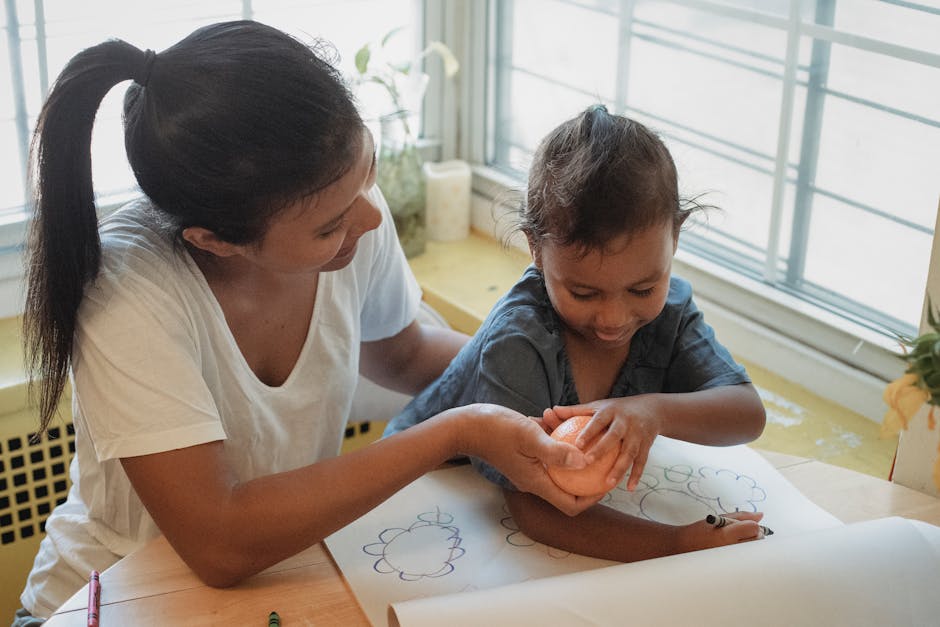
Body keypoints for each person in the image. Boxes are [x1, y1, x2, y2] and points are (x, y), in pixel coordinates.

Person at [15, 21, 591, 624]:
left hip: (267, 587)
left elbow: (400, 351)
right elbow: (220, 541)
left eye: (365, 174)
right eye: (329, 226)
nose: (368, 219)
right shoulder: (130, 290)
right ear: (215, 241)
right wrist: (457, 430)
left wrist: (553, 382)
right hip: (110, 603)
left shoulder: (343, 204)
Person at [385, 104, 769, 563]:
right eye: (585, 293)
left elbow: (746, 412)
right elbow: (535, 509)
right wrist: (676, 545)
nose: (613, 317)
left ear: (675, 238)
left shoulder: (669, 312)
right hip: (417, 498)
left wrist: (652, 412)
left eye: (643, 288)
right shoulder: (520, 340)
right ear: (537, 251)